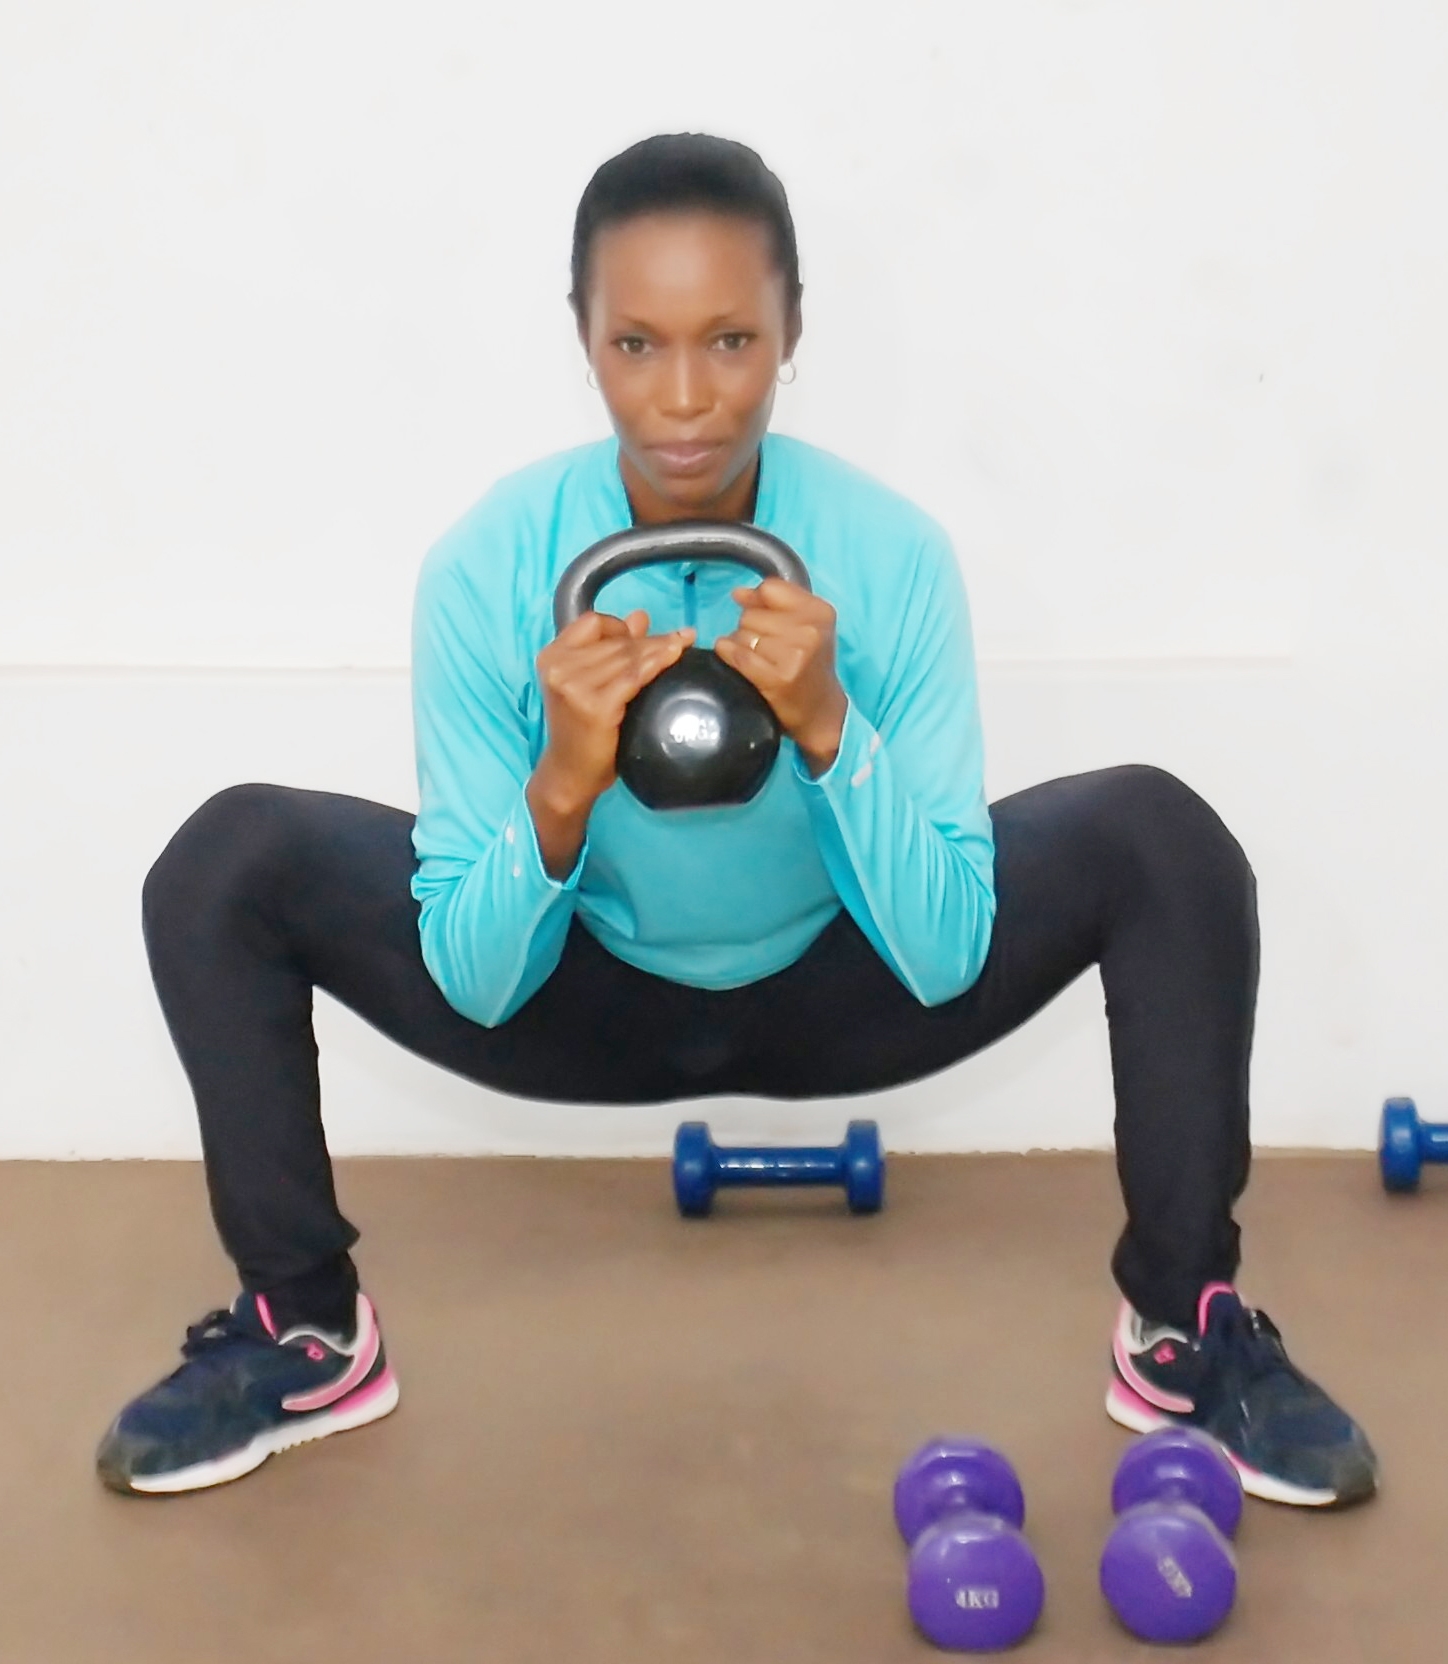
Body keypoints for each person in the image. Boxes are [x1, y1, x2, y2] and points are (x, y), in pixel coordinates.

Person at [97, 133, 1377, 1508]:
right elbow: (475, 983)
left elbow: (946, 954)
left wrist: (830, 729)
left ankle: (1184, 1324)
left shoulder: (890, 553)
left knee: (1161, 836)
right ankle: (305, 1330)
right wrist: (562, 783)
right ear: (583, 339)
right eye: (637, 344)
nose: (686, 398)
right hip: (576, 992)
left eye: (730, 341)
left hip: (842, 983)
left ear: (792, 333)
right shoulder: (488, 563)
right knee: (226, 861)